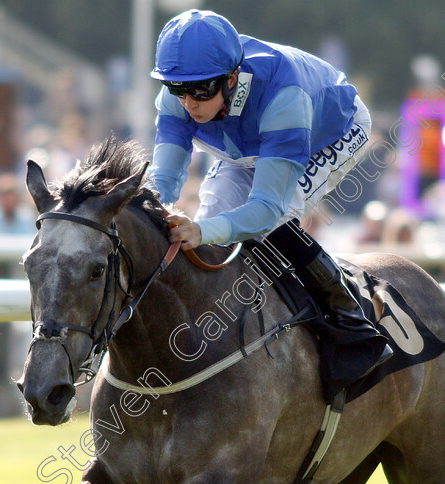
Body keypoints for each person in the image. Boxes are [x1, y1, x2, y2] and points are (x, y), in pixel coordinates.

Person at [148, 9, 392, 383]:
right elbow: (163, 183)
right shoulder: (178, 97)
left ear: (231, 78)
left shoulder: (284, 97)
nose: (188, 103)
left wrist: (200, 230)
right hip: (252, 140)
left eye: (199, 90)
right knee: (214, 214)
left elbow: (264, 209)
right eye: (177, 89)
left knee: (269, 223)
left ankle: (353, 325)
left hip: (330, 130)